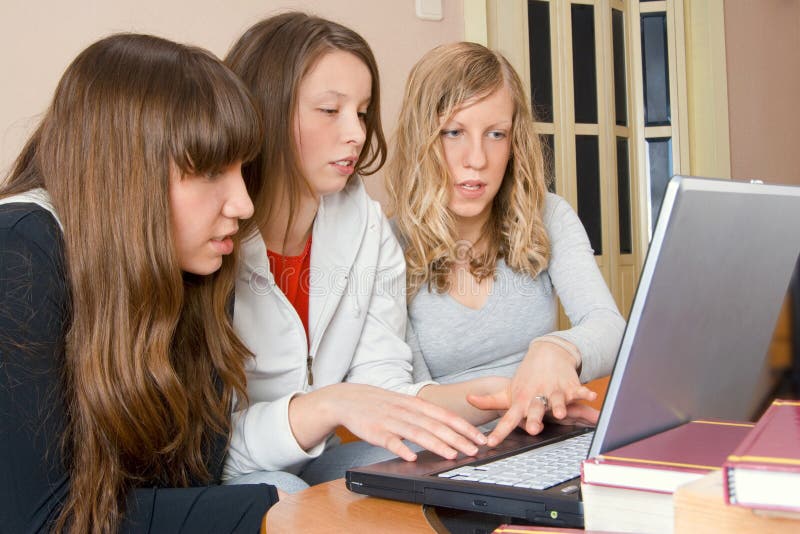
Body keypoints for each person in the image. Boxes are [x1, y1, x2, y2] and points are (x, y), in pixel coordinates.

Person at [0, 34, 278, 533]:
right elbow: (37, 522)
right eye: (213, 170)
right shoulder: (18, 251)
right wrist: (280, 512)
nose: (243, 203)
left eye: (243, 169)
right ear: (128, 172)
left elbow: (194, 474)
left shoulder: (191, 261)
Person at [222, 13, 509, 492]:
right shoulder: (214, 236)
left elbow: (385, 388)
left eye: (362, 111)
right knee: (284, 496)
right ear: (265, 109)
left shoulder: (366, 226)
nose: (356, 133)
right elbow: (208, 448)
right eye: (330, 110)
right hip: (233, 466)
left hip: (318, 456)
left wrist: (506, 393)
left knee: (422, 460)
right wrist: (324, 407)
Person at [387, 42, 626, 448]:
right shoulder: (388, 243)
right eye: (453, 132)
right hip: (441, 449)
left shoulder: (550, 215)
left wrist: (558, 350)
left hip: (541, 435)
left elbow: (611, 328)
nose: (477, 159)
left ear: (514, 143)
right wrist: (519, 392)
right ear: (421, 138)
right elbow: (410, 398)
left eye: (496, 134)